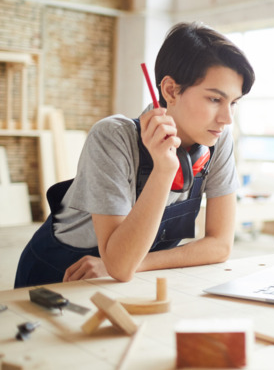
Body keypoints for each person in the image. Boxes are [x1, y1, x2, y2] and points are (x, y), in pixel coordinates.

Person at [15, 22, 255, 288]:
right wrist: (164, 170)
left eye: (233, 102)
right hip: (59, 274)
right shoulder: (112, 137)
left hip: (123, 274)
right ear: (170, 90)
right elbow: (120, 264)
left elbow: (220, 246)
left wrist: (138, 263)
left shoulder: (216, 141)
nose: (226, 118)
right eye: (214, 100)